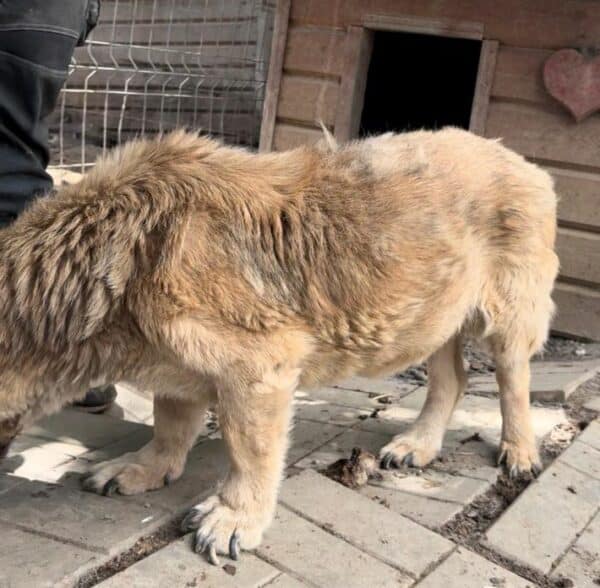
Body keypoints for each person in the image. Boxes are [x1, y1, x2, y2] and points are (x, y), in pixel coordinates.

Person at [0, 0, 116, 413]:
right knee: (14, 166)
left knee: (9, 171)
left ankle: (58, 357)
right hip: (50, 16)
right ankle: (67, 355)